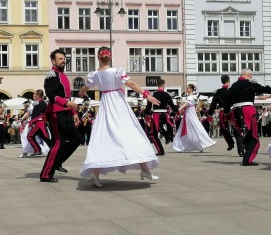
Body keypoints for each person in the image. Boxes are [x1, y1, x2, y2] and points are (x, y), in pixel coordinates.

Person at [78, 47, 160, 187]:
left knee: (103, 136)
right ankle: (145, 169)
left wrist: (80, 95)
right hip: (118, 103)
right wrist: (147, 95)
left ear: (98, 57)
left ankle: (95, 172)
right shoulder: (117, 71)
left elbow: (82, 91)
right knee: (130, 133)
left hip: (105, 104)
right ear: (110, 57)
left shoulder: (94, 75)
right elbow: (131, 84)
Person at [224, 68, 271, 166]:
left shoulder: (233, 86)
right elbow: (263, 89)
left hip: (236, 112)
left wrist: (229, 117)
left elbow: (227, 105)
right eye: (251, 75)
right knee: (254, 137)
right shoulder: (249, 83)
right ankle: (247, 159)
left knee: (246, 135)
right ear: (249, 75)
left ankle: (246, 153)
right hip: (247, 111)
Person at [40, 49, 82, 183]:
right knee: (59, 143)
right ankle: (46, 174)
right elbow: (52, 95)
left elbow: (67, 97)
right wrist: (66, 103)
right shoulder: (51, 75)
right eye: (60, 59)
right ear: (53, 61)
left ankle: (57, 161)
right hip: (55, 113)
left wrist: (74, 113)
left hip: (65, 112)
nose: (63, 60)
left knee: (76, 139)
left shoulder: (62, 75)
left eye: (64, 58)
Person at [172, 84, 216, 152]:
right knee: (188, 128)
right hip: (189, 112)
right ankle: (185, 145)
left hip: (190, 113)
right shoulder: (191, 97)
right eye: (186, 88)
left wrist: (179, 109)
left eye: (187, 88)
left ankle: (200, 144)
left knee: (194, 126)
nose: (186, 89)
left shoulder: (191, 97)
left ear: (191, 89)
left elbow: (186, 104)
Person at [144, 79, 178, 155]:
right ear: (164, 85)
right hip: (165, 115)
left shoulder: (153, 95)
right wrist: (178, 110)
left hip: (156, 114)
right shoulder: (167, 95)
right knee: (160, 128)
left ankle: (160, 150)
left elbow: (148, 106)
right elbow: (172, 106)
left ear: (157, 85)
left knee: (153, 133)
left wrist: (147, 116)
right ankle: (167, 135)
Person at [207, 75, 236, 151]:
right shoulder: (232, 90)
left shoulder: (218, 92)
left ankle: (230, 143)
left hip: (223, 112)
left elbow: (213, 105)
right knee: (237, 127)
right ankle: (241, 145)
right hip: (232, 111)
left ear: (221, 81)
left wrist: (209, 114)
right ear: (229, 81)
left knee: (224, 129)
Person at [27, 89, 50, 156]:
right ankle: (53, 148)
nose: (34, 95)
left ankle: (37, 150)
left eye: (35, 94)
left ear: (38, 95)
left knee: (30, 136)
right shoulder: (44, 103)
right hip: (41, 122)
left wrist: (32, 121)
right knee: (45, 137)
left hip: (39, 122)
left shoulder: (38, 103)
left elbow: (36, 114)